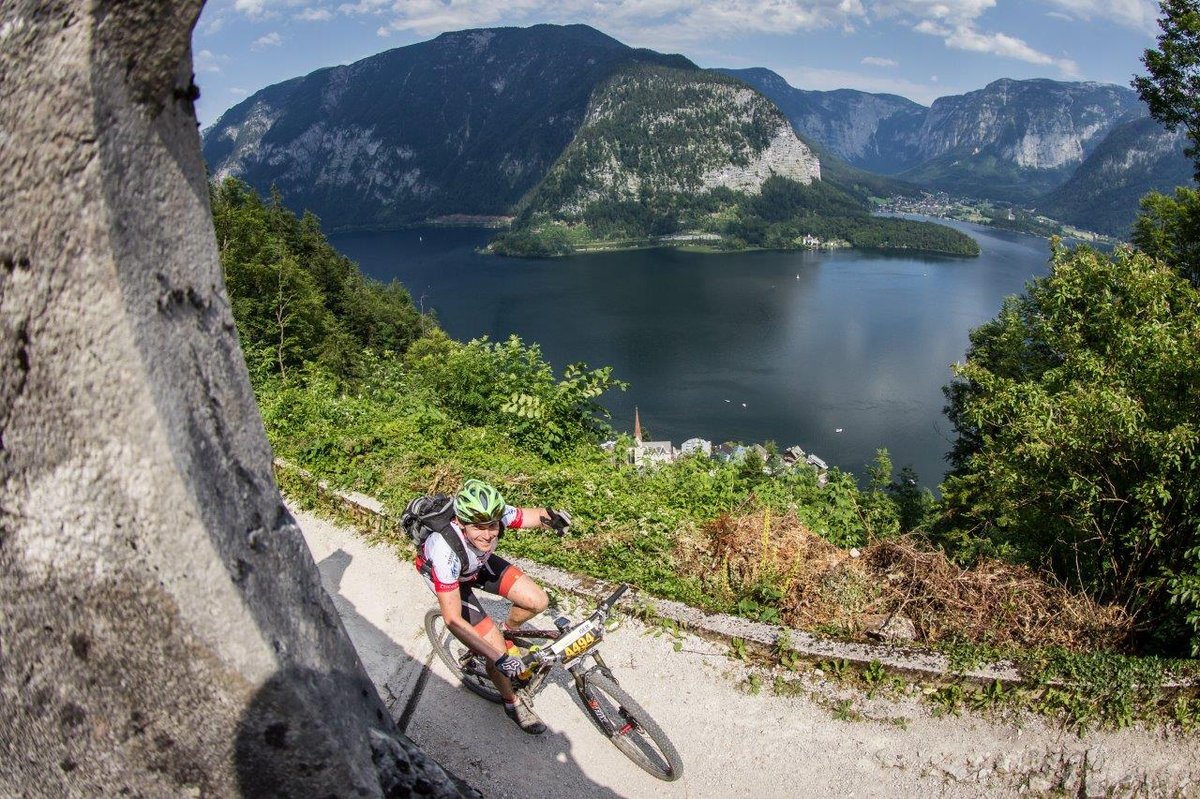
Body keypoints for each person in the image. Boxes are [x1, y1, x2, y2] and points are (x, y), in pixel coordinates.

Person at [415, 478, 571, 734]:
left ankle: (507, 630)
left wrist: (552, 518)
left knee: (538, 601)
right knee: (497, 653)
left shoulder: (491, 515)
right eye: (478, 528)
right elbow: (453, 620)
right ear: (461, 522)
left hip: (477, 564)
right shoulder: (444, 552)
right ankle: (512, 703)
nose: (488, 534)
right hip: (455, 580)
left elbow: (525, 516)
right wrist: (498, 656)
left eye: (492, 526)